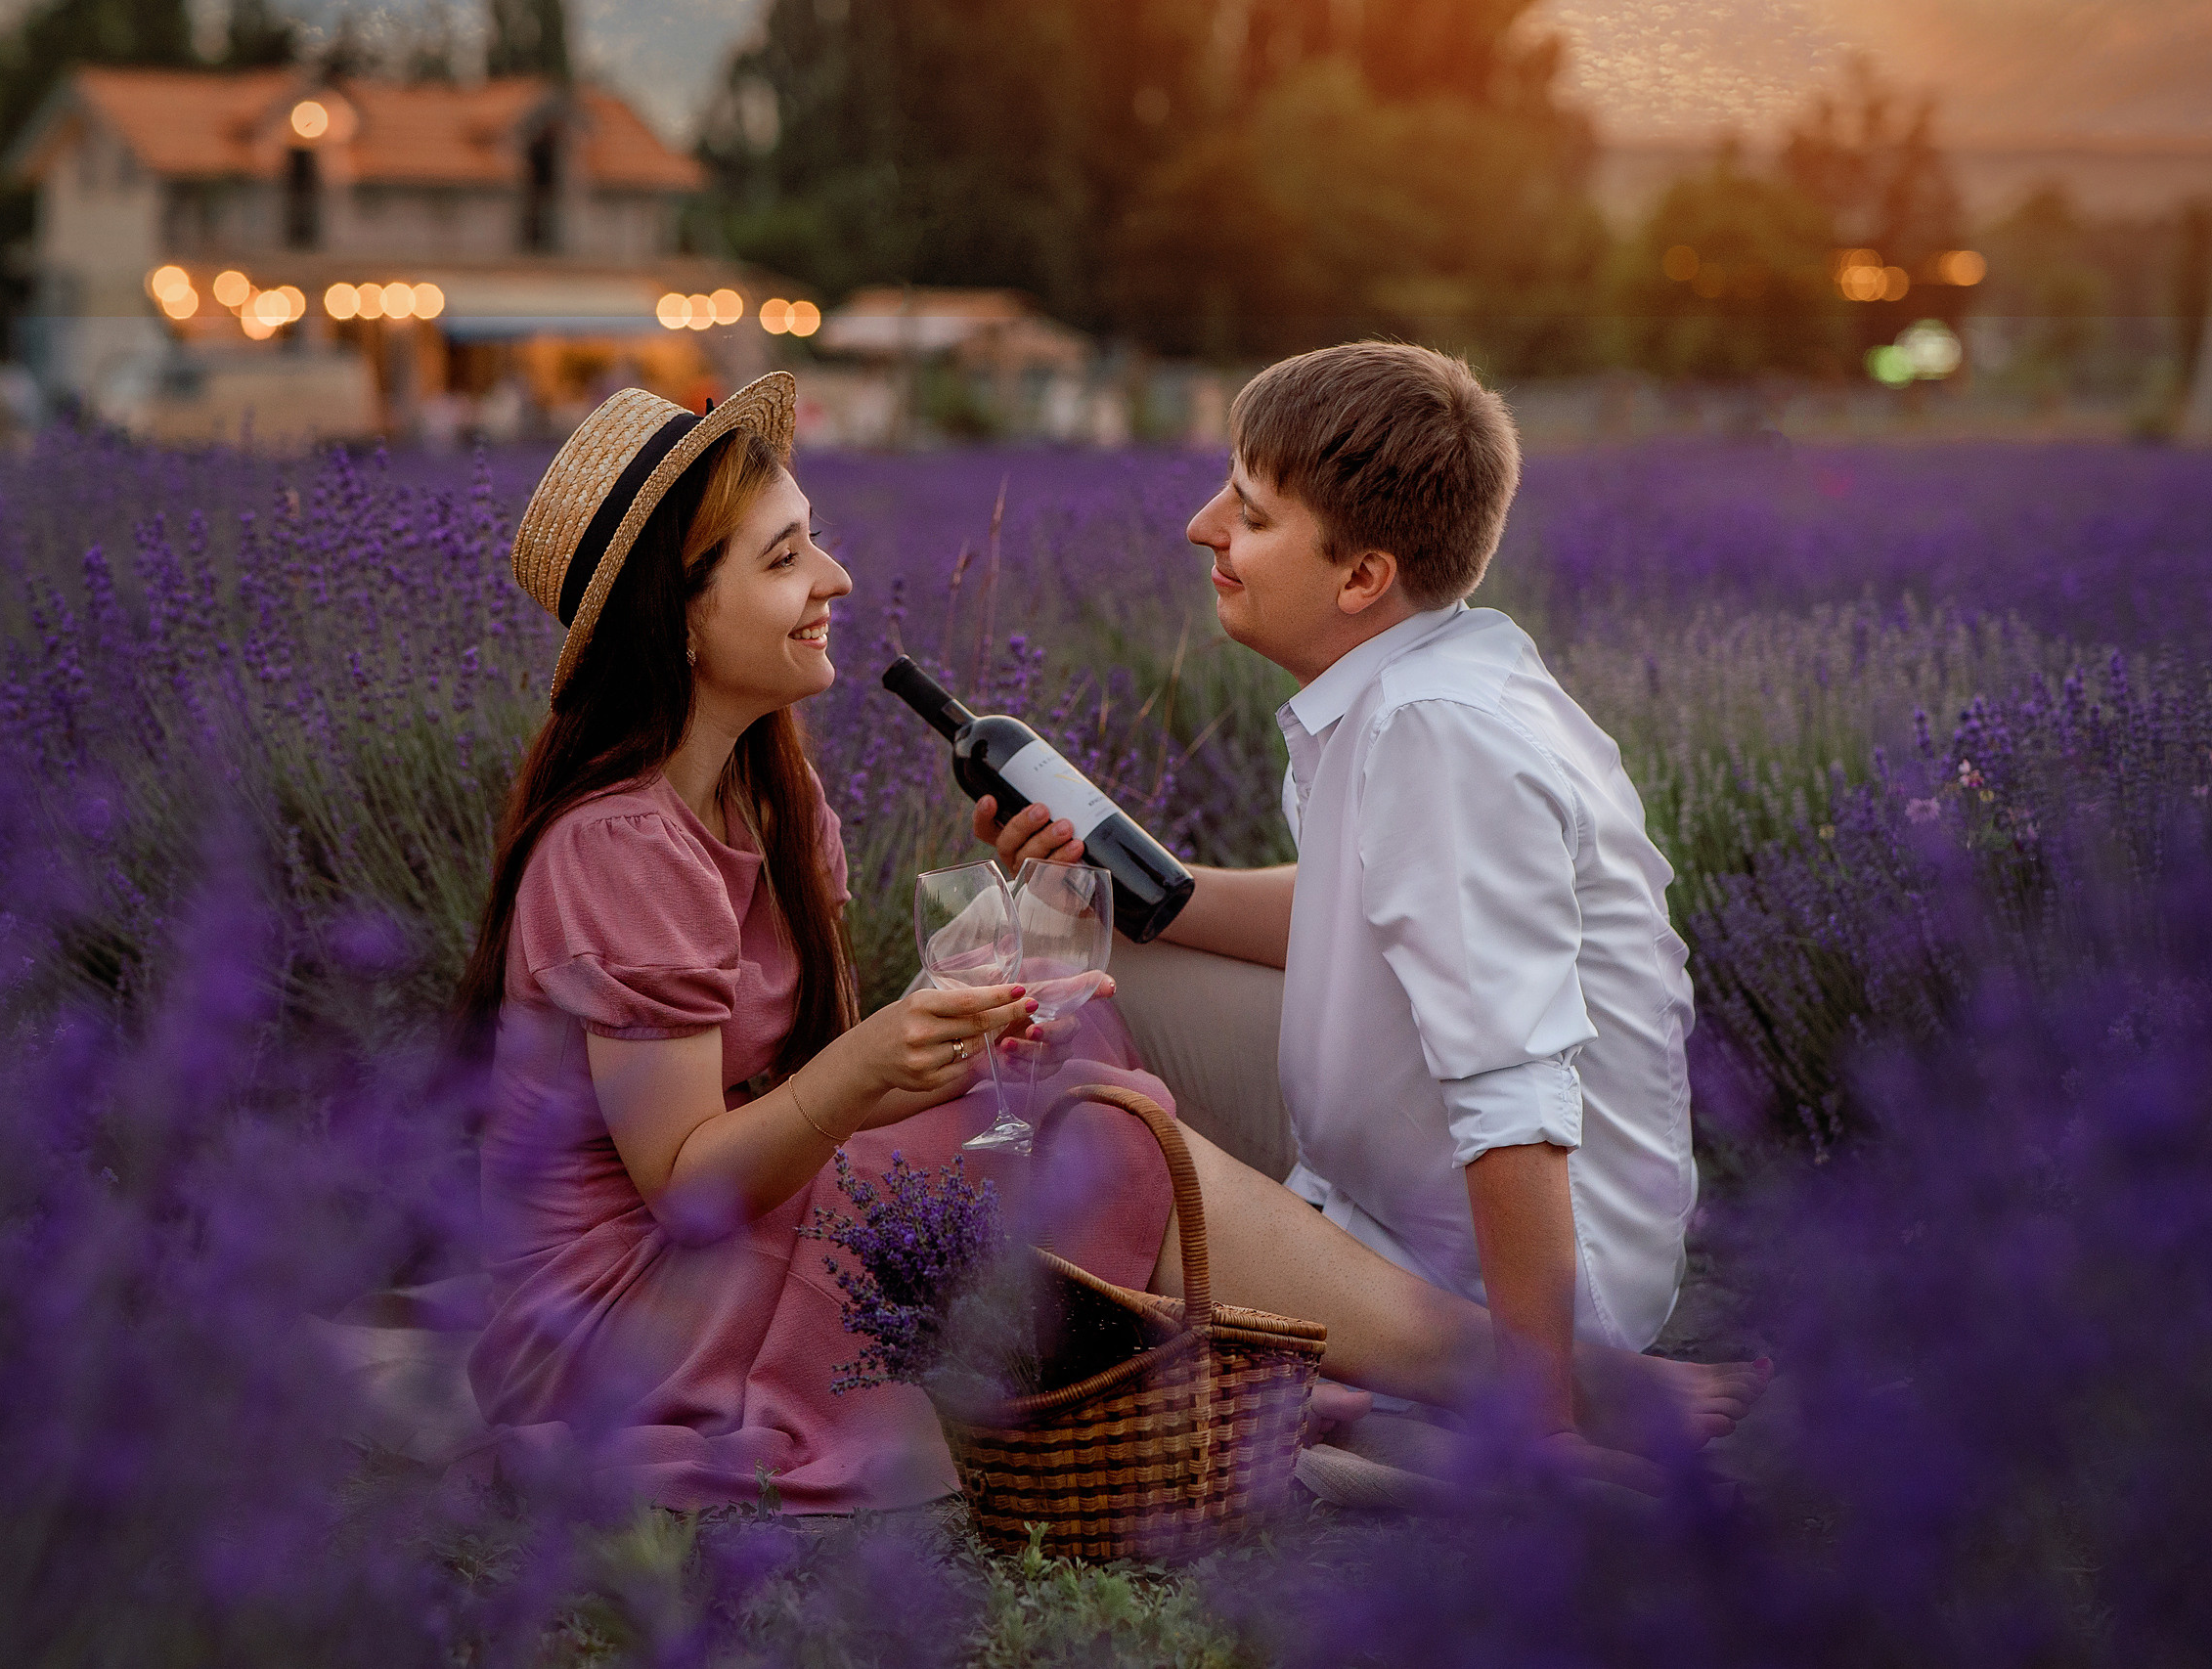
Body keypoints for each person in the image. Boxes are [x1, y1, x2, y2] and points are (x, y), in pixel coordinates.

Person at [460, 373, 1765, 1515]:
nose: (838, 579)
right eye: (788, 555)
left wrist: (967, 1022)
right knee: (1082, 1120)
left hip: (745, 1235)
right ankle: (1516, 1381)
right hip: (639, 1314)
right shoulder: (619, 852)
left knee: (1059, 1020)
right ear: (679, 622)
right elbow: (689, 1184)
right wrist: (876, 1066)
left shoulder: (774, 800)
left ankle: (1428, 1370)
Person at [978, 342, 1744, 1442]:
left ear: (1359, 578)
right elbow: (1353, 909)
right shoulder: (1418, 679)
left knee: (1062, 1129)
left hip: (1502, 1282)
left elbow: (1512, 1090)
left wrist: (1541, 1412)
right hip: (1404, 1194)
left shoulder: (1437, 735)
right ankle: (1308, 1354)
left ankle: (1444, 1383)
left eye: (1247, 512)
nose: (1203, 527)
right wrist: (1136, 883)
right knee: (1051, 962)